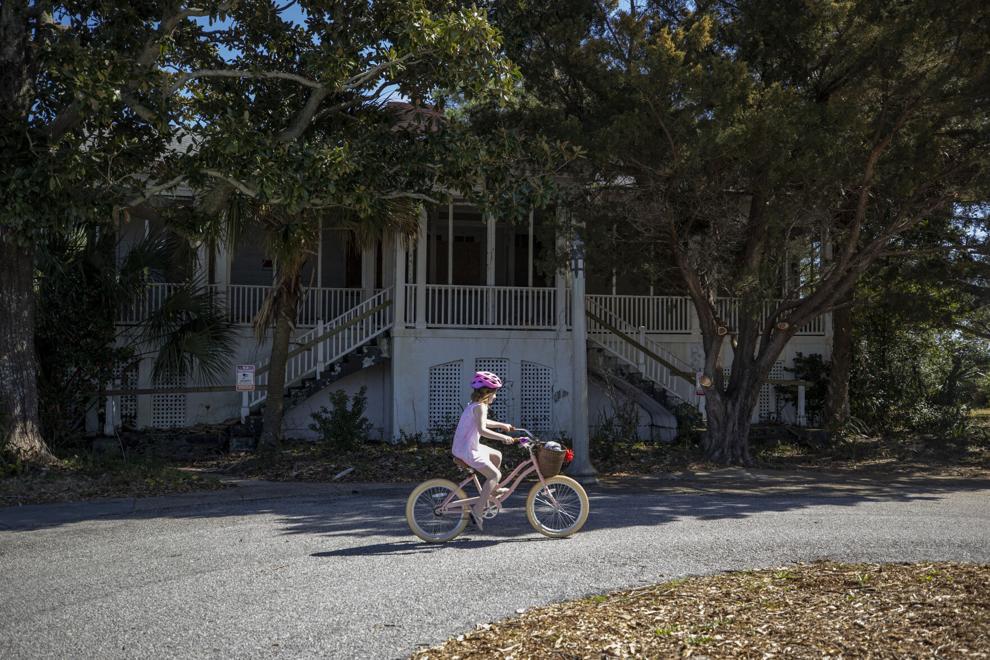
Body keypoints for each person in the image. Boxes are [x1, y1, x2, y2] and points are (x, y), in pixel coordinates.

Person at [452, 371, 516, 529]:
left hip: (465, 446)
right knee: (495, 474)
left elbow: (483, 422)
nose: (495, 396)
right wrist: (503, 438)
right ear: (487, 393)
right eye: (495, 393)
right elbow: (482, 430)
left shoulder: (474, 405)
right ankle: (478, 510)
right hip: (467, 450)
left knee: (496, 455)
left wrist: (501, 425)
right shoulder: (481, 407)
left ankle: (491, 492)